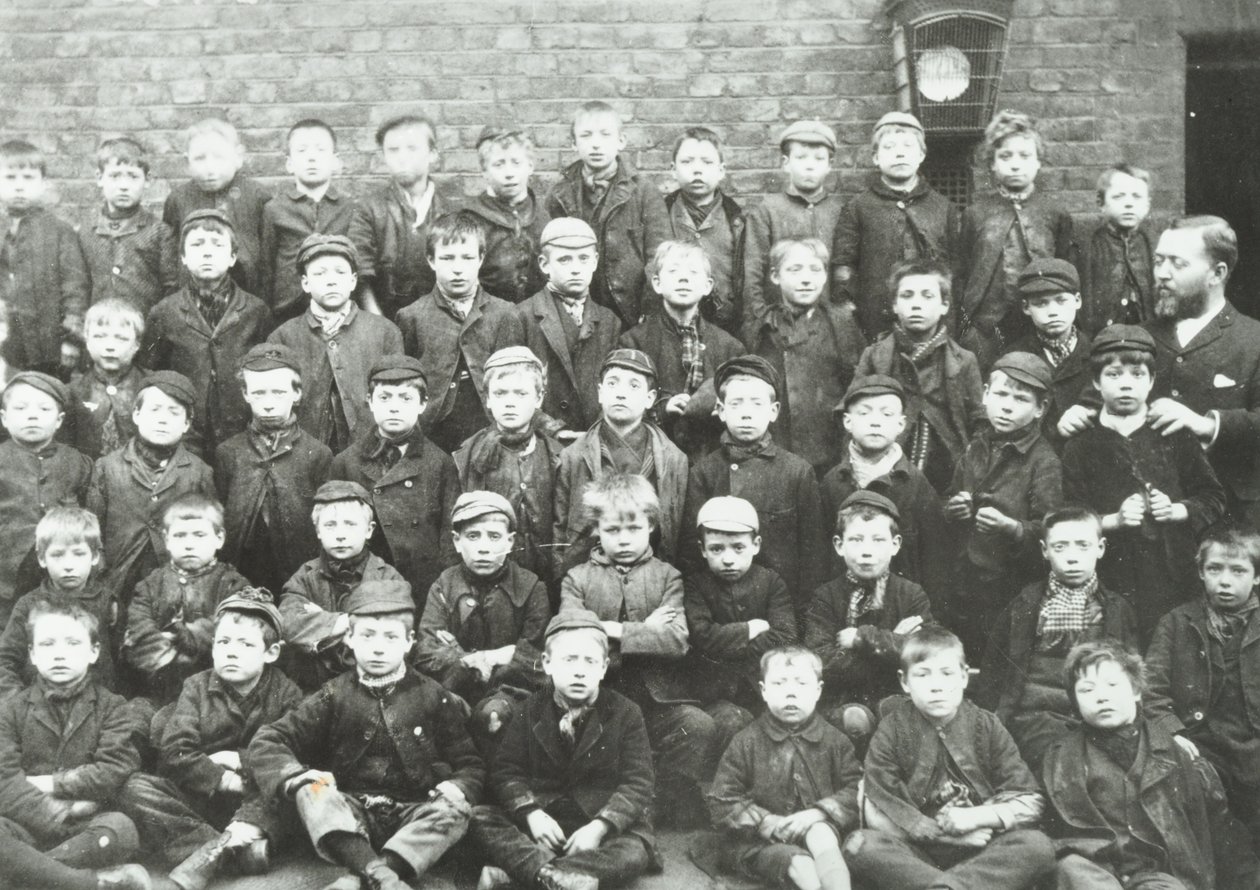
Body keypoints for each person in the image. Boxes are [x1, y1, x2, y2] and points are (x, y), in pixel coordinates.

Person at [250, 581, 483, 890]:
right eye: (367, 636)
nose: (377, 647)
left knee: (455, 811)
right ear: (349, 638)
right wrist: (296, 777)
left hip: (412, 814)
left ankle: (367, 874)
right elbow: (269, 740)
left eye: (390, 637)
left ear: (409, 642)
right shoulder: (333, 694)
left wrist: (459, 786)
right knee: (311, 792)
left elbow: (471, 763)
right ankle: (385, 878)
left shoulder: (432, 695)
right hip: (351, 814)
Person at [1059, 215, 1260, 528]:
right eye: (1158, 261)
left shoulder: (1253, 340)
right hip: (1144, 527)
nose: (1161, 274)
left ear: (1217, 273)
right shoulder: (1137, 336)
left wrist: (1205, 424)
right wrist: (1076, 414)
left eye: (1177, 264)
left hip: (1230, 522)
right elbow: (1093, 400)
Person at [843, 626, 1055, 890]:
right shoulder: (891, 730)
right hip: (915, 854)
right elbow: (877, 810)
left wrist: (979, 816)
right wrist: (947, 837)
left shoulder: (986, 726)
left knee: (1037, 846)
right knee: (859, 845)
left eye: (947, 674)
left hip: (982, 852)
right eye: (922, 675)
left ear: (965, 677)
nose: (936, 686)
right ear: (904, 682)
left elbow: (1029, 800)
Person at [559, 474, 715, 827]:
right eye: (612, 530)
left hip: (657, 698)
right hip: (603, 698)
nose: (624, 539)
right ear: (596, 529)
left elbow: (677, 641)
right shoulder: (577, 579)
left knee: (698, 727)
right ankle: (613, 807)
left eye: (634, 528)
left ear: (651, 526)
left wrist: (613, 630)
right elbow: (575, 638)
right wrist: (647, 630)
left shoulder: (667, 576)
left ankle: (656, 803)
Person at [1043, 639, 1259, 890]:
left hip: (1159, 877)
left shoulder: (1175, 754)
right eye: (1087, 690)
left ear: (1136, 691)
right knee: (1071, 868)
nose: (1101, 697)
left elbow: (1222, 834)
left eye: (1112, 685)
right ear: (1075, 701)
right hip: (1096, 873)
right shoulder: (1060, 757)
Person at [468, 611, 658, 890]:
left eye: (590, 661)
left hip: (596, 820)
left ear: (604, 668)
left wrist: (600, 826)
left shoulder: (626, 712)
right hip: (542, 819)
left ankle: (524, 875)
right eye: (569, 660)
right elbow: (507, 772)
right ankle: (562, 879)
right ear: (547, 663)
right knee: (479, 818)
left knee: (634, 851)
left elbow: (638, 782)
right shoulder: (528, 709)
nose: (580, 671)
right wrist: (531, 814)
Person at [1061, 325, 1225, 639]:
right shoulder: (1081, 445)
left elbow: (1213, 497)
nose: (1125, 384)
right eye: (1113, 374)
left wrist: (1177, 510)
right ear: (1096, 381)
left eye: (1137, 374)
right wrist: (1114, 520)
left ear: (1151, 381)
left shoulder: (1173, 433)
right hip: (1110, 574)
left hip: (1172, 574)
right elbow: (1067, 515)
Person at [136, 590, 303, 890]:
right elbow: (175, 752)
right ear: (213, 647)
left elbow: (290, 753)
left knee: (293, 789)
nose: (231, 652)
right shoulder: (196, 687)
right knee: (135, 788)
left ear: (271, 652)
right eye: (223, 642)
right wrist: (223, 779)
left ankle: (220, 850)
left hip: (258, 800)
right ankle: (230, 849)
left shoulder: (286, 693)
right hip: (202, 797)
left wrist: (237, 759)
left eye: (246, 644)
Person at [0, 599, 148, 886]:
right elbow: (4, 779)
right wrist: (56, 812)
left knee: (121, 829)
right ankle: (91, 884)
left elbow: (113, 769)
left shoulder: (112, 707)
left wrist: (52, 783)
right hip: (26, 820)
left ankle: (24, 873)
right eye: (47, 644)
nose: (59, 654)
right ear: (31, 654)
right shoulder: (10, 710)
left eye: (72, 643)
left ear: (94, 652)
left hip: (87, 827)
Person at [980, 507, 1139, 774]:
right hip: (1034, 717)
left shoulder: (1116, 609)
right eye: (1061, 547)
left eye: (1083, 546)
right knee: (1059, 761)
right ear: (1044, 550)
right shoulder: (1026, 605)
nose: (1072, 558)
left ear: (1100, 548)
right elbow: (994, 669)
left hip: (1094, 714)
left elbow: (1132, 673)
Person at [683, 355, 828, 614]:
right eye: (736, 404)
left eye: (757, 404)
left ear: (773, 412)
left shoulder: (797, 472)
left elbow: (813, 559)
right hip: (721, 611)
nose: (747, 413)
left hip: (782, 609)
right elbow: (692, 556)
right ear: (721, 409)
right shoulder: (705, 472)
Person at [1146, 524, 1260, 854]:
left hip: (1253, 746)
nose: (1224, 581)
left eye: (1238, 570)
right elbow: (1150, 689)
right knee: (1208, 818)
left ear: (1256, 577)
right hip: (1201, 744)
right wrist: (1174, 732)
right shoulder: (1177, 622)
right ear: (1200, 572)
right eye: (1214, 569)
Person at [707, 646, 861, 890]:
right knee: (796, 860)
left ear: (818, 691)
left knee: (821, 834)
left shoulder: (836, 741)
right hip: (759, 840)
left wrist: (819, 812)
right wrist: (768, 822)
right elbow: (722, 800)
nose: (791, 693)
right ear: (764, 691)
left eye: (801, 684)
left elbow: (856, 789)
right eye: (779, 684)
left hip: (817, 829)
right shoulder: (746, 741)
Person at [944, 352, 1062, 660]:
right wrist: (954, 507)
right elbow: (951, 496)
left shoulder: (1043, 461)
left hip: (1010, 584)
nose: (1007, 406)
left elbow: (1049, 529)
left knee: (1000, 656)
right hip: (964, 578)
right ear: (985, 394)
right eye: (1000, 394)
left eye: (1021, 399)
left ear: (1041, 408)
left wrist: (1011, 527)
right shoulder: (975, 448)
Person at [415, 492, 549, 749]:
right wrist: (475, 660)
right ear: (456, 541)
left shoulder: (531, 587)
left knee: (496, 716)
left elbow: (537, 657)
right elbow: (427, 653)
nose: (484, 547)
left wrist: (492, 659)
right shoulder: (444, 585)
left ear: (510, 542)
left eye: (494, 536)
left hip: (513, 693)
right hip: (453, 690)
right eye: (473, 536)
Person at [329, 355, 460, 608]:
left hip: (423, 589)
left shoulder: (440, 463)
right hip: (365, 588)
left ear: (423, 404)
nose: (394, 407)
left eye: (406, 398)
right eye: (385, 397)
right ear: (370, 402)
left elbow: (448, 541)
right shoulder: (346, 463)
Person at [86, 371, 215, 624]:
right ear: (136, 415)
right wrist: (102, 591)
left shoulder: (199, 472)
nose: (162, 420)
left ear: (187, 424)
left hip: (177, 587)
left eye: (174, 412)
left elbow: (209, 535)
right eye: (154, 409)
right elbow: (92, 534)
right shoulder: (107, 468)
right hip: (117, 583)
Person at [805, 491, 932, 746]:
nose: (866, 552)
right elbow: (822, 662)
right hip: (842, 699)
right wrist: (895, 641)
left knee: (898, 713)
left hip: (895, 693)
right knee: (854, 721)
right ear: (839, 545)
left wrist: (864, 639)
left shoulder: (910, 594)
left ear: (895, 544)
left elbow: (926, 651)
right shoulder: (826, 597)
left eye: (878, 540)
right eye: (856, 540)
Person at [142, 208, 272, 456]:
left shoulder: (256, 311)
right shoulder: (164, 312)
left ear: (233, 257)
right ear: (182, 257)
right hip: (187, 432)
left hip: (240, 428)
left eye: (217, 244)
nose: (208, 252)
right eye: (197, 244)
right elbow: (151, 371)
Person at [955, 110, 1074, 372]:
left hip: (1039, 320)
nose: (1015, 164)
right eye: (1005, 156)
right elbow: (961, 272)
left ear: (1038, 162)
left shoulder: (1054, 213)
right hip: (987, 326)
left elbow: (1066, 269)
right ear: (993, 164)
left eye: (1025, 156)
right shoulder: (976, 213)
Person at [553, 348, 688, 576]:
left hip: (652, 578)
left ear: (650, 398)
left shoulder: (674, 459)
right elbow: (560, 533)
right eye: (613, 384)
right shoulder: (573, 456)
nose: (621, 394)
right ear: (599, 393)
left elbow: (677, 535)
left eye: (634, 386)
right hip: (588, 578)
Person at [853, 259, 985, 493]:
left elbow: (980, 422)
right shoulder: (875, 356)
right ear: (894, 305)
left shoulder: (963, 360)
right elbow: (852, 413)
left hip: (947, 474)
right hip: (886, 469)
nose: (916, 305)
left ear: (945, 305)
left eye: (927, 296)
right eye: (907, 296)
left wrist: (970, 478)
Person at [396, 210, 522, 453]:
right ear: (431, 260)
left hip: (489, 427)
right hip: (433, 431)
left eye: (467, 258)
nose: (457, 269)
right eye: (447, 258)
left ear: (481, 258)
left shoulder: (505, 313)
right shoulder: (412, 316)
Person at [267, 233, 404, 453]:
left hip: (372, 450)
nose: (331, 280)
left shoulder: (385, 332)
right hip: (305, 453)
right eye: (320, 273)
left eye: (340, 272)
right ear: (305, 283)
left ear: (353, 281)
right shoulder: (283, 337)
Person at [214, 341, 332, 593]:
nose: (268, 403)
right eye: (258, 393)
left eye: (278, 392)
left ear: (297, 393)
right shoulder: (228, 453)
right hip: (243, 568)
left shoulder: (317, 454)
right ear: (246, 395)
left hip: (299, 572)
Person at [683, 496, 798, 752]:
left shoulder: (771, 583)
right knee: (732, 723)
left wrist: (725, 642)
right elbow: (701, 637)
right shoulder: (696, 586)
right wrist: (750, 629)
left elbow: (785, 637)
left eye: (738, 548)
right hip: (715, 692)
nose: (727, 559)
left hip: (763, 689)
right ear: (702, 549)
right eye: (716, 549)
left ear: (756, 545)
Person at [833, 111, 960, 342]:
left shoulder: (943, 207)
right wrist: (849, 312)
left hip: (932, 321)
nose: (899, 153)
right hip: (876, 322)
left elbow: (955, 268)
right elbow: (844, 265)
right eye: (889, 147)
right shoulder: (858, 207)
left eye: (908, 147)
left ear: (921, 155)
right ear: (875, 157)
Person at [545, 100, 669, 328]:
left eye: (605, 135)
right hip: (575, 309)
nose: (596, 145)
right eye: (586, 136)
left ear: (621, 141)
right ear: (573, 143)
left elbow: (659, 256)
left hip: (629, 311)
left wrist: (649, 309)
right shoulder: (560, 194)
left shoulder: (643, 191)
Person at [821, 375, 948, 597]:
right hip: (842, 602)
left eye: (886, 414)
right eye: (864, 412)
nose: (875, 421)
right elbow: (819, 554)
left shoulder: (916, 484)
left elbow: (935, 558)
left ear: (901, 425)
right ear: (847, 422)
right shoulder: (832, 483)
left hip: (903, 604)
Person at [746, 238, 865, 474]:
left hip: (829, 456)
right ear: (775, 276)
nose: (806, 279)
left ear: (824, 277)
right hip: (774, 455)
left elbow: (857, 388)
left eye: (815, 269)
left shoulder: (842, 326)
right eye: (794, 270)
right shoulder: (759, 329)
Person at [454, 347, 566, 592]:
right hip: (490, 582)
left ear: (538, 399)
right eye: (501, 393)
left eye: (521, 393)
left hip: (547, 581)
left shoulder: (558, 456)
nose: (510, 402)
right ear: (488, 400)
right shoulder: (466, 457)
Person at [619, 240, 743, 459]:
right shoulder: (633, 342)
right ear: (657, 283)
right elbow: (622, 404)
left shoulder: (730, 348)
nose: (684, 278)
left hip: (712, 459)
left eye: (694, 272)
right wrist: (662, 409)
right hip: (653, 455)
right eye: (674, 271)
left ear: (708, 286)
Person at [121, 494, 250, 704]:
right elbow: (138, 630)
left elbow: (234, 628)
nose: (189, 544)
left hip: (217, 692)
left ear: (219, 538)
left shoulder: (232, 584)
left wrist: (190, 636)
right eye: (180, 535)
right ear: (166, 540)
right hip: (159, 690)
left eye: (199, 535)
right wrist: (172, 661)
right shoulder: (150, 585)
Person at [277, 480, 405, 690]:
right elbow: (287, 624)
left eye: (350, 524)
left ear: (369, 530)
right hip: (313, 688)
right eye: (330, 525)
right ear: (318, 531)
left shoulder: (389, 579)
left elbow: (390, 641)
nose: (340, 534)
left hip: (371, 687)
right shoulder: (304, 577)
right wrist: (350, 622)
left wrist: (322, 627)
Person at [0, 372, 92, 629]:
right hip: (6, 580)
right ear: (4, 418)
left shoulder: (77, 462)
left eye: (43, 408)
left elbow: (90, 516)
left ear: (59, 420)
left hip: (61, 575)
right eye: (20, 408)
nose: (32, 415)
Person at [515, 216, 623, 436]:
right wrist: (551, 429)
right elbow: (511, 387)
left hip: (595, 437)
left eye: (583, 259)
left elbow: (615, 386)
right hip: (541, 437)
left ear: (594, 262)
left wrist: (597, 431)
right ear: (545, 264)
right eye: (564, 260)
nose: (576, 269)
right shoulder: (522, 316)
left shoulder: (609, 321)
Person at [0, 508, 115, 697]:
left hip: (95, 707)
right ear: (42, 558)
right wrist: (18, 702)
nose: (68, 565)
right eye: (58, 555)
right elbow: (5, 660)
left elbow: (123, 663)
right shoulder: (28, 605)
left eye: (78, 554)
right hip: (40, 707)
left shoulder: (108, 603)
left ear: (95, 557)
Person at [347, 113, 452, 320]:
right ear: (384, 156)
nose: (402, 157)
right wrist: (380, 325)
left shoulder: (451, 211)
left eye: (412, 148)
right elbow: (360, 275)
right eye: (393, 150)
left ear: (432, 154)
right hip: (383, 321)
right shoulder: (369, 209)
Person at [0, 139, 89, 377]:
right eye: (10, 178)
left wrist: (72, 339)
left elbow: (75, 289)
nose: (19, 187)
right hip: (6, 346)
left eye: (28, 178)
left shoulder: (59, 231)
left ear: (42, 184)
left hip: (48, 348)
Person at [743, 121, 844, 330]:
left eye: (818, 159)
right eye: (801, 157)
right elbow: (753, 270)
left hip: (829, 326)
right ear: (786, 163)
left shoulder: (840, 210)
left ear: (829, 165)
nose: (810, 165)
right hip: (778, 324)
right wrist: (760, 318)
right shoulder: (768, 210)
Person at [161, 118, 272, 297]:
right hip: (191, 296)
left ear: (238, 157)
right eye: (200, 158)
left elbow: (269, 258)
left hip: (248, 295)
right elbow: (169, 257)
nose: (209, 168)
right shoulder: (178, 199)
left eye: (219, 157)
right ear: (187, 161)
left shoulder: (257, 196)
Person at [260, 118, 356, 322]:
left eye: (320, 150)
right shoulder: (275, 209)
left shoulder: (349, 207)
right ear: (289, 164)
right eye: (302, 151)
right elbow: (266, 269)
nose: (311, 158)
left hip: (339, 307)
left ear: (335, 161)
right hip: (288, 309)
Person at [78, 136, 178, 313]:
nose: (124, 186)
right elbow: (78, 287)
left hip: (146, 329)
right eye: (115, 176)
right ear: (99, 178)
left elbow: (172, 289)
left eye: (133, 177)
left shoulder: (160, 233)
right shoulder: (85, 232)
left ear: (147, 180)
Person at [1001, 258, 1094, 444]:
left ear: (1077, 301)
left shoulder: (1096, 355)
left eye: (1061, 301)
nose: (1052, 312)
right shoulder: (1014, 357)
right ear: (1026, 308)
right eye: (1041, 303)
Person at [664, 126, 746, 334]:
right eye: (687, 161)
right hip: (672, 323)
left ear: (721, 170)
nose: (697, 170)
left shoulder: (737, 220)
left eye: (707, 162)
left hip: (726, 327)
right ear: (673, 169)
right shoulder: (660, 214)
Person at [464, 125, 549, 305]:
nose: (509, 173)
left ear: (530, 167)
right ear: (484, 172)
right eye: (498, 164)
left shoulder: (544, 217)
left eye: (516, 163)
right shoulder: (470, 220)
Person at [1077, 164, 1158, 335]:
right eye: (1119, 197)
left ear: (1147, 205)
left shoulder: (1152, 243)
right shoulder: (1091, 245)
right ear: (1101, 204)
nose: (1129, 204)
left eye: (1137, 197)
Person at [68, 299, 147, 459]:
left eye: (121, 338)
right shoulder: (72, 391)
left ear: (137, 344)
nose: (110, 346)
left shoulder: (150, 387)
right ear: (87, 341)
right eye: (100, 336)